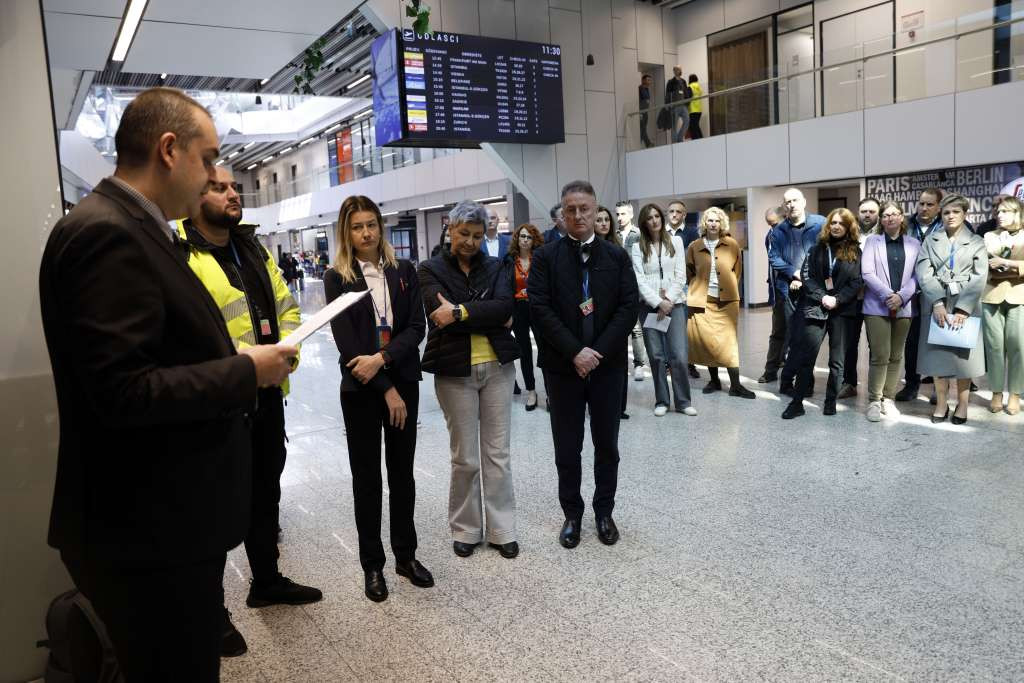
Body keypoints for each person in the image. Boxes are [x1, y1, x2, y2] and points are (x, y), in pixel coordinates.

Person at [38, 87, 297, 681]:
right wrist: (245, 370)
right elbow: (124, 391)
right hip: (145, 532)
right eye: (208, 161)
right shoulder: (110, 233)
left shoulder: (136, 228)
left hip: (156, 524)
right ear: (169, 150)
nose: (213, 176)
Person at [172, 167, 321, 656]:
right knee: (212, 508)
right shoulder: (178, 254)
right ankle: (210, 613)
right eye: (220, 186)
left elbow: (287, 308)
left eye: (235, 186)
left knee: (265, 491)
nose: (233, 193)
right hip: (217, 404)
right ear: (194, 195)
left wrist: (287, 352)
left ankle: (267, 580)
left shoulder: (253, 247)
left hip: (267, 397)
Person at [324, 195, 433, 602]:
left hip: (403, 383)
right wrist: (383, 386)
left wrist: (385, 361)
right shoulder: (337, 276)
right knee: (367, 480)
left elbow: (415, 326)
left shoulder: (403, 270)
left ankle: (406, 556)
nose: (366, 233)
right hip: (362, 391)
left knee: (402, 475)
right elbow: (346, 341)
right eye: (357, 227)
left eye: (371, 224)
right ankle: (373, 566)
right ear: (346, 232)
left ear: (380, 227)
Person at [528, 180, 639, 549]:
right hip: (563, 367)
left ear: (596, 211)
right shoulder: (546, 258)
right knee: (567, 446)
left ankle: (604, 512)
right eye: (570, 210)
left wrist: (597, 353)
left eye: (584, 209)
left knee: (607, 444)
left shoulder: (616, 257)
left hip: (606, 368)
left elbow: (628, 308)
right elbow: (539, 309)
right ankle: (572, 515)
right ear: (562, 214)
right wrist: (576, 351)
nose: (578, 216)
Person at [418, 201, 521, 559]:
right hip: (454, 372)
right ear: (450, 229)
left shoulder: (497, 264)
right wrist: (485, 309)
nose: (470, 242)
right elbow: (437, 314)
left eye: (477, 236)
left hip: (497, 369)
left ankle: (501, 529)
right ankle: (465, 528)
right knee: (465, 458)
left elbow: (506, 309)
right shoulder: (429, 269)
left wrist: (461, 310)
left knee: (497, 454)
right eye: (464, 234)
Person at [782, 208, 863, 419]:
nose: (836, 226)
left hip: (843, 311)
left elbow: (857, 282)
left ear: (848, 227)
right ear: (828, 225)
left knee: (837, 361)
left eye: (841, 224)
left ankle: (830, 402)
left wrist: (838, 299)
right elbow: (807, 277)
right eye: (833, 223)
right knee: (806, 357)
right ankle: (797, 402)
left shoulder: (856, 251)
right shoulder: (817, 249)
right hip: (816, 308)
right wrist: (822, 297)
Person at [916, 193, 987, 424]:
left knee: (963, 360)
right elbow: (924, 272)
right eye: (946, 212)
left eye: (956, 212)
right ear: (940, 214)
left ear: (964, 214)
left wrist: (963, 309)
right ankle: (941, 404)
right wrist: (937, 302)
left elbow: (979, 277)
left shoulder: (976, 242)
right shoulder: (930, 240)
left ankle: (963, 405)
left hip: (965, 305)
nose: (950, 216)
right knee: (938, 358)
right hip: (937, 305)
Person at [630, 204, 695, 416]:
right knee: (656, 356)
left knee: (678, 354)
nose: (655, 220)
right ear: (643, 222)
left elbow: (681, 276)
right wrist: (658, 302)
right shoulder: (637, 247)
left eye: (657, 216)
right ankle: (662, 401)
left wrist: (667, 300)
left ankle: (684, 402)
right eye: (650, 218)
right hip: (649, 307)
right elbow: (638, 279)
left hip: (675, 305)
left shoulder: (676, 240)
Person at [860, 201, 921, 422]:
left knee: (896, 356)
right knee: (880, 355)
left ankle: (889, 399)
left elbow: (918, 275)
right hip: (877, 306)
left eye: (895, 214)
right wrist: (889, 296)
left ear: (902, 218)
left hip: (905, 307)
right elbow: (867, 273)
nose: (890, 218)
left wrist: (902, 296)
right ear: (881, 219)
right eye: (886, 215)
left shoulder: (914, 244)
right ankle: (875, 400)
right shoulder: (872, 241)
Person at [686, 207, 756, 400]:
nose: (713, 224)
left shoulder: (732, 244)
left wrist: (729, 288)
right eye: (710, 220)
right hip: (703, 301)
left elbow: (737, 272)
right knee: (709, 343)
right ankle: (714, 380)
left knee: (728, 343)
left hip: (727, 301)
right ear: (704, 224)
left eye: (717, 221)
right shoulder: (694, 246)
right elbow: (689, 272)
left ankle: (735, 385)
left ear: (722, 223)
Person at [770, 189, 826, 395]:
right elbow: (774, 258)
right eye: (787, 202)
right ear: (784, 206)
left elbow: (827, 252)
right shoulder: (778, 231)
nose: (791, 204)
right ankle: (786, 382)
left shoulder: (820, 224)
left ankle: (806, 383)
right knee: (794, 339)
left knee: (810, 341)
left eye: (795, 200)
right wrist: (794, 273)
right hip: (790, 290)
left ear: (803, 201)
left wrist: (807, 277)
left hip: (815, 292)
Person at [896, 188, 944, 401]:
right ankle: (911, 384)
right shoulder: (905, 224)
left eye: (930, 204)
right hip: (910, 291)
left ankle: (938, 388)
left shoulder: (947, 225)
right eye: (921, 203)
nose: (924, 208)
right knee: (912, 340)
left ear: (939, 207)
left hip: (938, 291)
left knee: (937, 340)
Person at [982, 196, 1024, 415]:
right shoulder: (989, 236)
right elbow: (985, 263)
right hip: (991, 296)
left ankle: (1015, 394)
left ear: (1017, 213)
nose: (1000, 216)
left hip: (1019, 297)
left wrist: (1006, 263)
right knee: (994, 348)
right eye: (998, 212)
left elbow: (998, 262)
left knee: (1018, 348)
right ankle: (997, 392)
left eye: (1005, 212)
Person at [838, 197, 881, 400]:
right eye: (864, 211)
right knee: (849, 344)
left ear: (878, 213)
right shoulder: (851, 235)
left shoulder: (884, 235)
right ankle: (849, 383)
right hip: (852, 299)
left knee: (876, 345)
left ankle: (876, 387)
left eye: (872, 211)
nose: (867, 215)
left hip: (876, 298)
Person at [596, 205, 631, 420]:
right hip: (596, 313)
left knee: (620, 363)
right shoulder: (588, 249)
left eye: (606, 220)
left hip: (617, 313)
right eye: (599, 220)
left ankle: (619, 407)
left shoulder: (618, 250)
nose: (603, 223)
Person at [506, 223, 544, 411]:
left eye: (529, 237)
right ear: (517, 239)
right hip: (518, 309)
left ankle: (551, 393)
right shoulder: (509, 261)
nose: (525, 240)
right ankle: (531, 391)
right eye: (522, 236)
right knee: (525, 352)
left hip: (537, 308)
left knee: (544, 350)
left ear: (534, 240)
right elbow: (506, 288)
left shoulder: (540, 259)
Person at [666, 199, 700, 379]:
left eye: (678, 211)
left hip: (686, 285)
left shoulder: (692, 233)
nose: (674, 214)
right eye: (671, 211)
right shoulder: (661, 233)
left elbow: (696, 260)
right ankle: (668, 363)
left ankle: (689, 363)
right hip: (665, 285)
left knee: (685, 327)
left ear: (684, 215)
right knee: (665, 324)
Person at [615, 200, 647, 381]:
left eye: (623, 214)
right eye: (617, 214)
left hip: (634, 287)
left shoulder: (639, 235)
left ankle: (639, 364)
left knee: (636, 328)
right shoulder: (613, 234)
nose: (619, 218)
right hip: (615, 287)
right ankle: (620, 364)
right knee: (618, 328)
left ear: (631, 215)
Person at [758, 206, 787, 383]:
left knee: (797, 335)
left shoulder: (795, 235)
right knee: (777, 332)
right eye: (770, 225)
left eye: (775, 224)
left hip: (797, 290)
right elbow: (772, 265)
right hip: (778, 292)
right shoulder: (770, 235)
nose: (773, 228)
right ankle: (770, 371)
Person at [665, 66, 690, 143]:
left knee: (687, 121)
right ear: (674, 71)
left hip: (683, 105)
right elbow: (668, 94)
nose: (679, 71)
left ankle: (679, 137)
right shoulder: (671, 82)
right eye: (677, 69)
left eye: (679, 69)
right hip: (674, 106)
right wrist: (667, 104)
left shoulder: (683, 81)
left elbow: (685, 92)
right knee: (674, 126)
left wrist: (687, 102)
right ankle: (674, 142)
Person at [638, 74, 653, 148]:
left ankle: (640, 143)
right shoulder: (640, 88)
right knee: (642, 128)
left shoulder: (647, 89)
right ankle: (648, 143)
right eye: (648, 80)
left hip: (645, 112)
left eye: (650, 80)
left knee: (643, 129)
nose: (649, 81)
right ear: (643, 80)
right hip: (641, 112)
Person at [687, 74, 704, 139]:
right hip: (699, 110)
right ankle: (701, 139)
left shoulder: (690, 86)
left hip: (692, 110)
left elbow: (688, 97)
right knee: (696, 126)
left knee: (693, 127)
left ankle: (696, 141)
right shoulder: (698, 86)